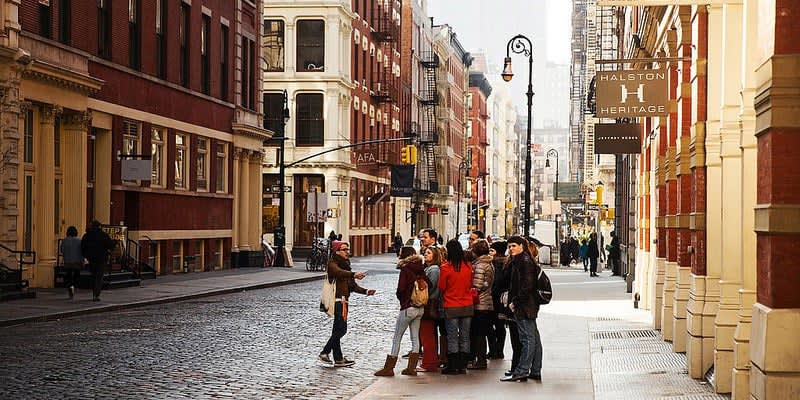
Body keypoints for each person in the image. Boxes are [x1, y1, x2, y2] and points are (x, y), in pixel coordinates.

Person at [319, 241, 377, 367]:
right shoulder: (332, 263)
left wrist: (366, 291)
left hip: (344, 300)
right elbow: (338, 273)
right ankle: (325, 351)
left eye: (347, 249)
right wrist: (353, 274)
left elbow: (352, 286)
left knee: (336, 330)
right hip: (337, 301)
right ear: (337, 251)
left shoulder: (346, 265)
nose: (347, 252)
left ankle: (338, 359)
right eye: (344, 249)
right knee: (342, 330)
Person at [375, 246, 427, 376]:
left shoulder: (405, 269)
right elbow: (429, 284)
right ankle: (412, 368)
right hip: (420, 308)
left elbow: (401, 289)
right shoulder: (421, 268)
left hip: (408, 307)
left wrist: (403, 299)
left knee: (397, 337)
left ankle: (389, 368)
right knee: (415, 337)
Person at [501, 236, 543, 382]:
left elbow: (527, 286)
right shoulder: (525, 260)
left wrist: (515, 302)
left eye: (513, 246)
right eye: (509, 246)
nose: (511, 248)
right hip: (528, 305)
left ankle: (522, 371)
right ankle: (535, 370)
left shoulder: (523, 261)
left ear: (521, 246)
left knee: (527, 339)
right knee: (533, 338)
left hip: (524, 306)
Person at [438, 239, 474, 374]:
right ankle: (463, 365)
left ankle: (453, 365)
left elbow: (442, 286)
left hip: (451, 305)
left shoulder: (446, 267)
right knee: (465, 336)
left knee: (452, 336)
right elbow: (470, 284)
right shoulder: (468, 266)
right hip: (467, 304)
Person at [467, 239, 494, 370]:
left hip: (480, 304)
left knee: (478, 333)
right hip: (486, 302)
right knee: (480, 332)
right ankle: (479, 358)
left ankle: (480, 360)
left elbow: (477, 286)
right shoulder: (487, 263)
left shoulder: (480, 265)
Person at [418, 246, 443, 372]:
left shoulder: (434, 270)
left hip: (429, 303)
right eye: (425, 252)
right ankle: (431, 360)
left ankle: (429, 362)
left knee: (427, 334)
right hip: (428, 302)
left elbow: (429, 287)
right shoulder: (428, 268)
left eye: (429, 253)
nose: (425, 254)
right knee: (428, 333)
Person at [80, 220, 115, 302]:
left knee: (93, 275)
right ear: (99, 227)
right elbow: (111, 245)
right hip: (101, 258)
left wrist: (86, 256)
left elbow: (83, 247)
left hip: (91, 259)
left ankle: (94, 292)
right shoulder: (103, 235)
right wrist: (113, 243)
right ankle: (96, 294)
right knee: (99, 277)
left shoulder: (86, 235)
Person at [487, 241, 508, 361]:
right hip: (501, 300)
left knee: (491, 326)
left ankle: (494, 350)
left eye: (492, 250)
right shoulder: (505, 263)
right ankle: (498, 350)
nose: (490, 253)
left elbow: (496, 282)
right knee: (500, 326)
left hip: (494, 299)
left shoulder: (495, 264)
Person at [60, 226, 83, 299]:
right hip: (77, 261)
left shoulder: (64, 240)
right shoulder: (79, 240)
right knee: (77, 274)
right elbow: (82, 250)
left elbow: (62, 250)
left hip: (68, 261)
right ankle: (73, 285)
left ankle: (70, 286)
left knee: (68, 275)